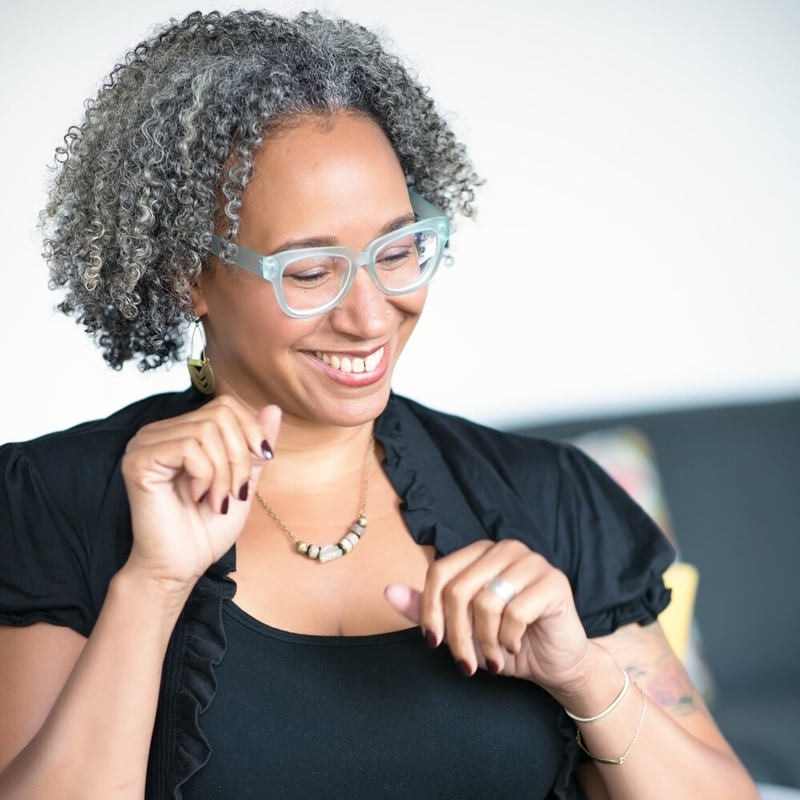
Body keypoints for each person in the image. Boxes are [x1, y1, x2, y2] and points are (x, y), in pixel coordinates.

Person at [0, 9, 758, 800]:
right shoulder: (53, 501)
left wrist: (584, 677)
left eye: (397, 253)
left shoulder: (549, 497)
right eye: (309, 271)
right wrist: (151, 585)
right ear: (188, 272)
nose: (371, 315)